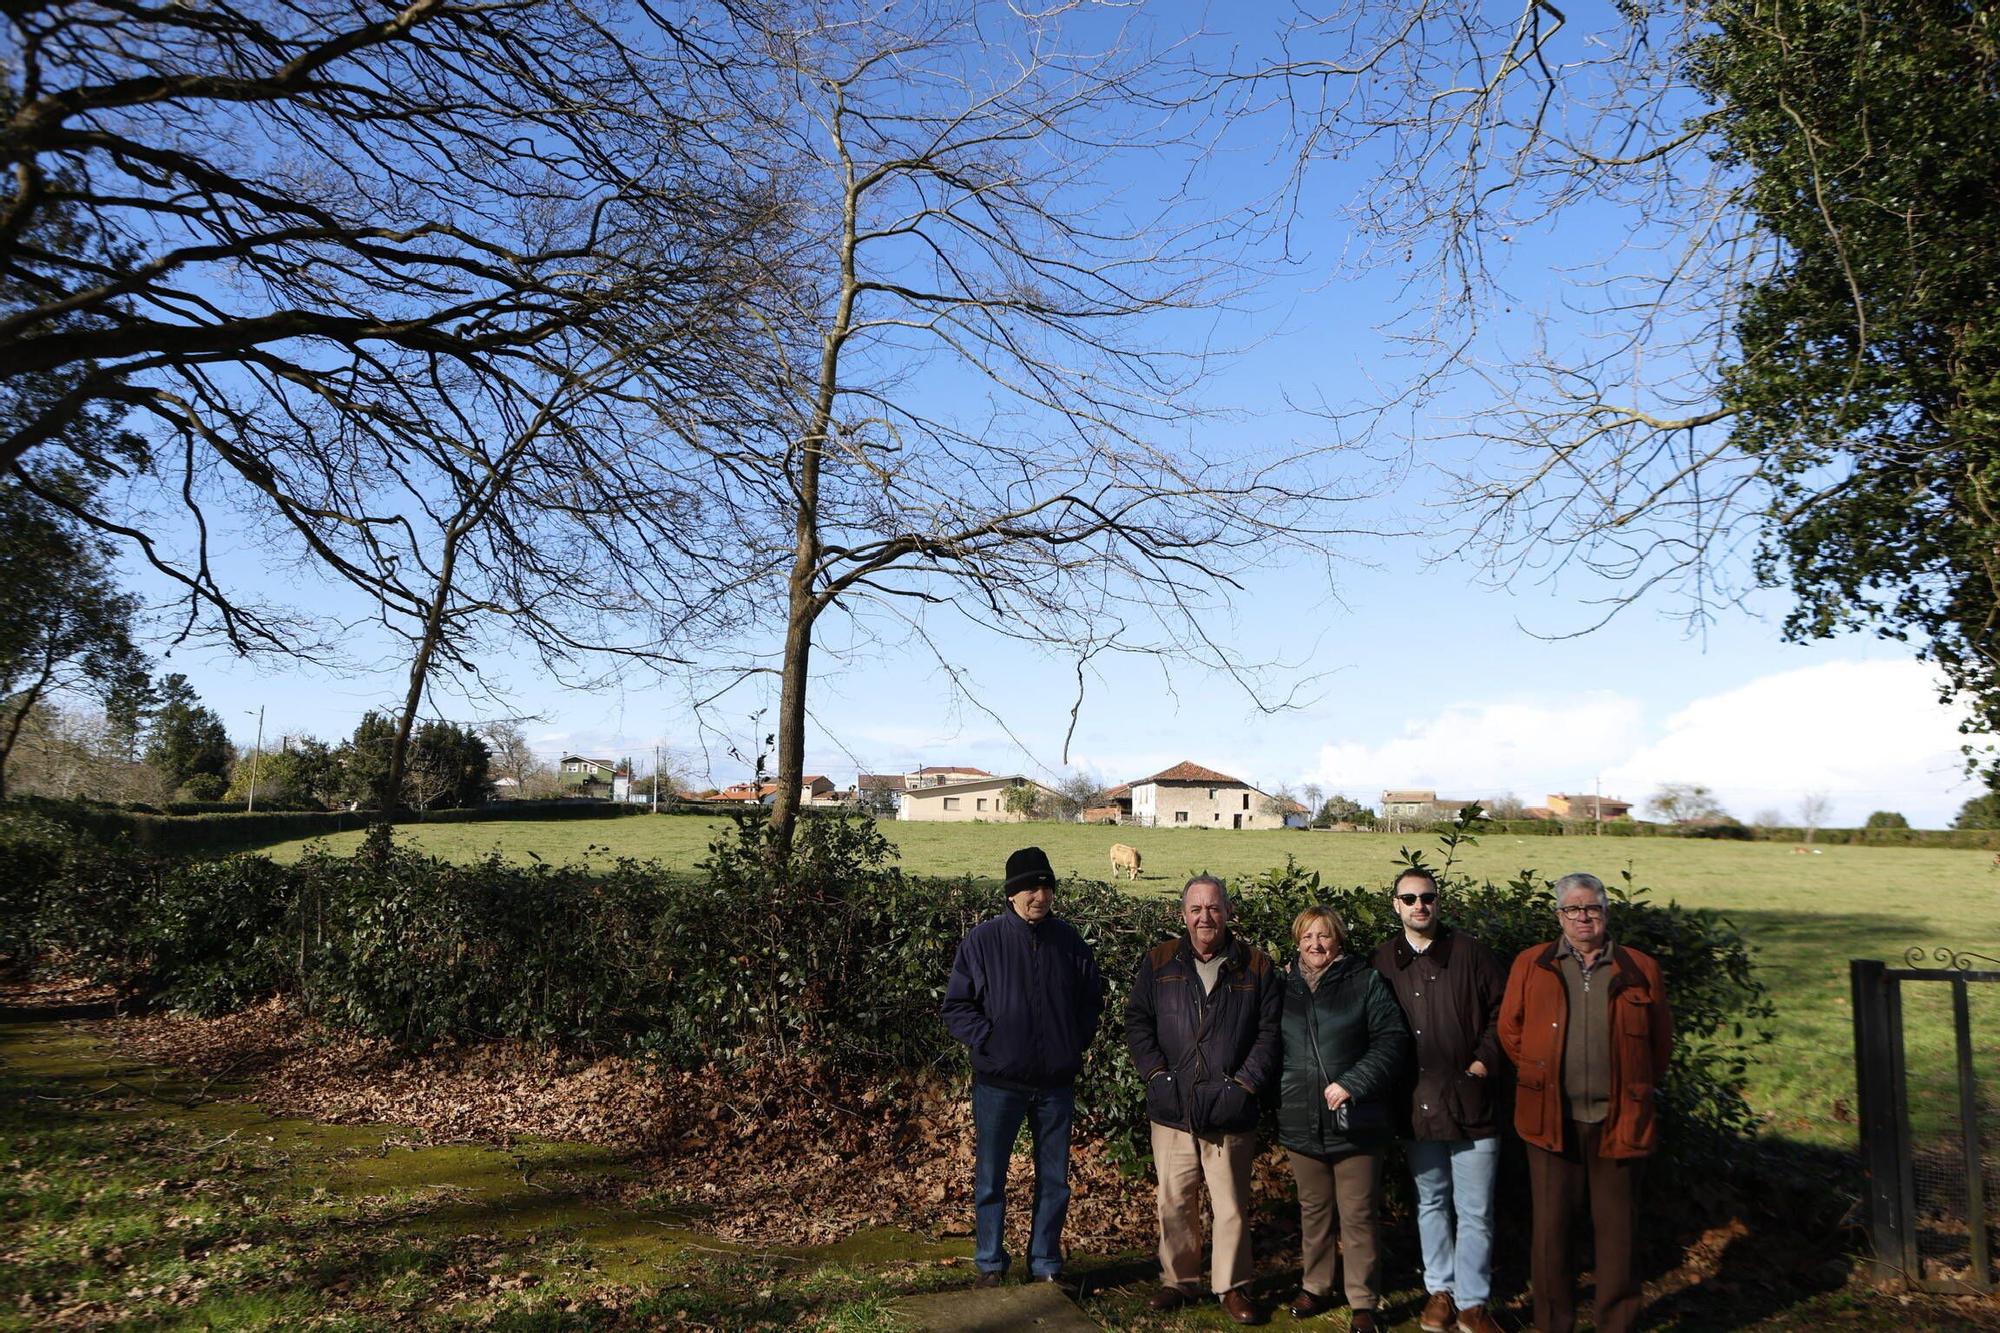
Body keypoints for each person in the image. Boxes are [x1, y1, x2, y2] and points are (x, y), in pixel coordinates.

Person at [1500, 872, 1674, 1333]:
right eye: (1572, 909)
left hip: (1619, 1121)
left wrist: (1631, 1085)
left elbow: (1659, 1047)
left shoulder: (1640, 968)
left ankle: (1616, 1323)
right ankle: (1553, 1324)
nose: (1582, 917)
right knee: (1551, 1234)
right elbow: (1510, 1031)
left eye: (1591, 908)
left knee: (1618, 1234)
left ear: (1606, 912)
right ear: (1558, 915)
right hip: (1550, 1121)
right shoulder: (1531, 965)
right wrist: (1542, 1076)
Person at [941, 846, 1105, 1287]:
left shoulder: (1068, 941)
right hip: (998, 1083)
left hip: (1055, 1084)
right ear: (1012, 893)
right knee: (991, 1178)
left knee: (1054, 1180)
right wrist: (991, 1042)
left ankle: (1046, 1264)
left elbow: (1092, 999)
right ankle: (991, 1263)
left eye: (1047, 886)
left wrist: (1073, 1043)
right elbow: (957, 1006)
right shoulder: (983, 941)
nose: (1041, 895)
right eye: (1032, 886)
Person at [1125, 874, 1283, 1325]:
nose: (1204, 917)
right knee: (1174, 1200)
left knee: (1230, 1204)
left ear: (1228, 912)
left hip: (1231, 1108)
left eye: (1213, 908)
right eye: (1196, 909)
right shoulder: (1158, 962)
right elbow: (1138, 1021)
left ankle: (1232, 1287)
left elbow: (1270, 1034)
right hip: (1172, 1108)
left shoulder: (1256, 965)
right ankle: (1179, 1281)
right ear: (1183, 915)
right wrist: (1156, 1075)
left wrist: (1245, 1085)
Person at [1371, 867, 1508, 1333]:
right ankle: (1440, 1292)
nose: (1419, 906)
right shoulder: (1383, 960)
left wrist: (1483, 1063)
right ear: (1396, 905)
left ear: (1438, 901)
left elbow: (1504, 1014)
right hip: (1416, 1102)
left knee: (1476, 1209)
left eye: (1426, 897)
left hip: (1472, 1100)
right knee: (1430, 1201)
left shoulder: (1471, 953)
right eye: (1408, 899)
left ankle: (1473, 1302)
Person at [1278, 905, 1410, 1330]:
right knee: (1313, 1210)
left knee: (1357, 1215)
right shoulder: (1284, 987)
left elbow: (1392, 1039)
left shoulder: (1365, 981)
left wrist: (1354, 1081)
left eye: (1325, 936)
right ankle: (1315, 1285)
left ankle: (1363, 1301)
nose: (1316, 945)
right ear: (1297, 943)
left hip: (1356, 1122)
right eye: (1307, 937)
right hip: (1300, 1119)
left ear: (1339, 940)